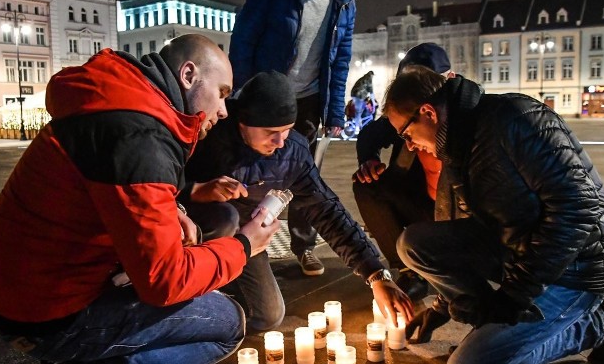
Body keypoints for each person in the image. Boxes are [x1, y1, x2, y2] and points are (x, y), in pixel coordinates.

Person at [0, 35, 280, 364]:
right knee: (227, 324)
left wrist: (172, 205)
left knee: (193, 246)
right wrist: (246, 246)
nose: (223, 110)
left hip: (29, 291)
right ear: (189, 74)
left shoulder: (122, 104)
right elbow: (164, 281)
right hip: (48, 314)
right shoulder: (138, 135)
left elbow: (104, 190)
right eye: (222, 93)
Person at [385, 66, 604, 364]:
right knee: (413, 244)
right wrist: (442, 306)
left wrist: (514, 297)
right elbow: (451, 237)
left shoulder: (514, 118)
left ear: (427, 112)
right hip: (520, 249)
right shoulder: (458, 145)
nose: (410, 146)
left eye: (406, 134)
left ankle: (597, 324)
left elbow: (577, 210)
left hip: (577, 267)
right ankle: (498, 326)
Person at [181, 70, 414, 332]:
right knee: (226, 217)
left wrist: (375, 274)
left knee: (269, 315)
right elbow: (160, 186)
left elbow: (326, 211)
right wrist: (194, 190)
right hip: (194, 237)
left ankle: (216, 299)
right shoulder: (208, 137)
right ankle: (185, 303)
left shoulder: (292, 152)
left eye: (287, 130)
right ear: (243, 123)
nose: (280, 142)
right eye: (271, 132)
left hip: (244, 243)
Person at [229, 0, 367, 277]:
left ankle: (303, 246)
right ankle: (241, 239)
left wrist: (335, 110)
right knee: (249, 166)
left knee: (304, 175)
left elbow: (340, 59)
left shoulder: (345, 2)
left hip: (307, 100)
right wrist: (245, 90)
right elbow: (245, 35)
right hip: (264, 98)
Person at [351, 43, 452, 299]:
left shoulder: (465, 122)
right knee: (367, 183)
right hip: (422, 205)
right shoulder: (404, 114)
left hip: (460, 218)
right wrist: (369, 160)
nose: (408, 142)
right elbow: (371, 133)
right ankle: (409, 270)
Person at [347, 69, 377, 134]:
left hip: (354, 94)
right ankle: (357, 127)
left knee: (361, 109)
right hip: (359, 96)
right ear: (371, 75)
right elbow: (371, 93)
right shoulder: (369, 80)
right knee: (358, 111)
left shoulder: (363, 78)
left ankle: (356, 121)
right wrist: (374, 103)